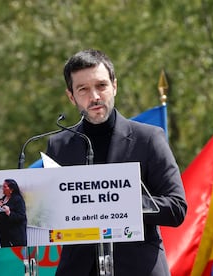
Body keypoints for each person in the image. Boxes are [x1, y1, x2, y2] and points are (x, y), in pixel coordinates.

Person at [46, 49, 187, 275]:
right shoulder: (59, 146)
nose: (95, 97)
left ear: (115, 86)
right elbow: (50, 214)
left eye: (101, 85)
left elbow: (176, 208)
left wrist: (117, 204)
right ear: (71, 96)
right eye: (83, 89)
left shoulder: (149, 138)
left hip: (138, 268)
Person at [0, 178, 27, 247]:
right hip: (3, 233)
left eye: (5, 187)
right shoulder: (3, 198)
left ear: (11, 189)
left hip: (15, 235)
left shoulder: (18, 200)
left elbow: (21, 216)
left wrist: (9, 213)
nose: (2, 188)